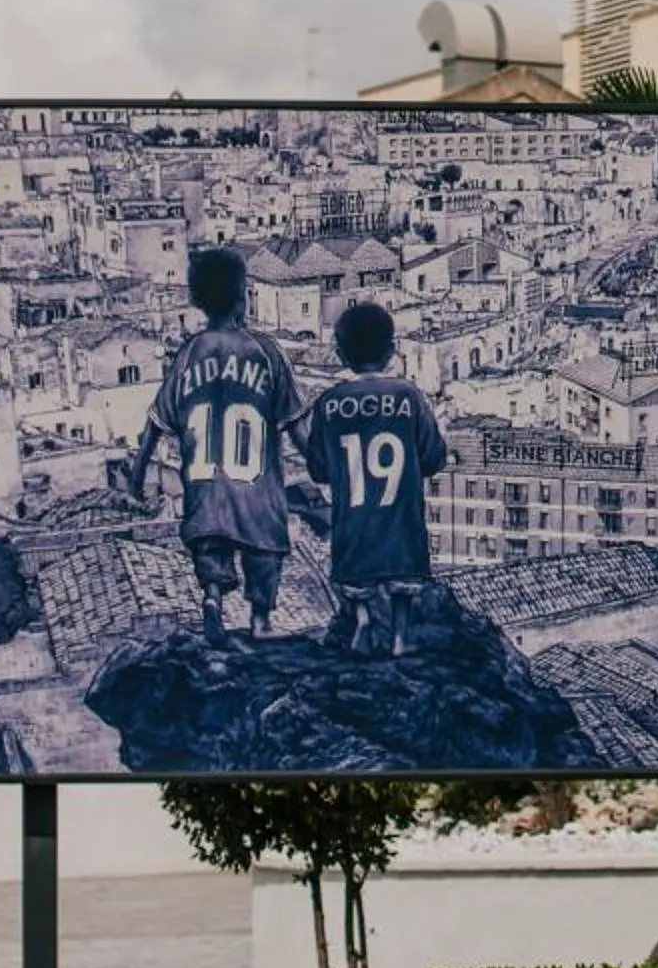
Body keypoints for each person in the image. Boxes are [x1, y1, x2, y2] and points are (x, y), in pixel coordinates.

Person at [116, 245, 307, 646]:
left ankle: (213, 597)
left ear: (198, 300)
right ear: (244, 296)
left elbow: (154, 425)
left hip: (205, 488)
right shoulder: (266, 352)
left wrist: (135, 480)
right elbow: (294, 422)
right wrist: (322, 465)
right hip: (256, 488)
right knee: (264, 549)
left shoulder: (187, 355)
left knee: (210, 546)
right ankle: (260, 620)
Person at [301, 300, 449, 658]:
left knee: (356, 579)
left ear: (340, 354)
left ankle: (364, 618)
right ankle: (399, 637)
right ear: (391, 351)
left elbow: (317, 468)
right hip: (401, 521)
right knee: (402, 583)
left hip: (353, 523)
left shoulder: (329, 403)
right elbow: (434, 457)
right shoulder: (409, 397)